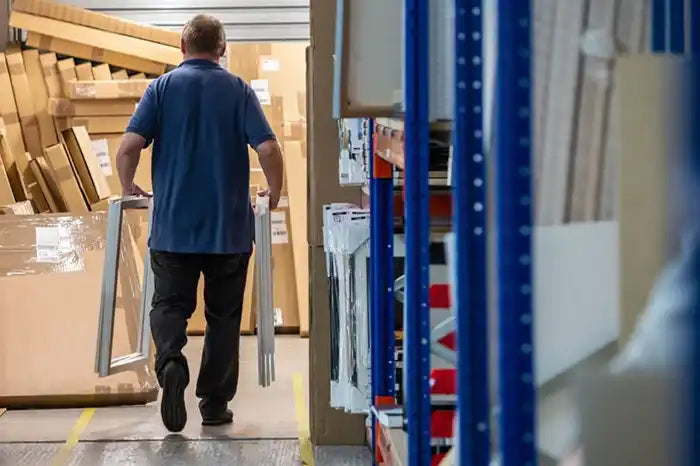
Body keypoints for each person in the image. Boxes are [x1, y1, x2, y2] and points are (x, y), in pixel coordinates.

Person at [116, 14, 284, 433]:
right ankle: (213, 404)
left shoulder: (161, 88)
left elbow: (128, 147)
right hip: (228, 231)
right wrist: (275, 193)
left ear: (181, 46)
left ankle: (171, 360)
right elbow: (268, 148)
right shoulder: (238, 90)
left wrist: (128, 185)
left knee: (170, 306)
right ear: (222, 49)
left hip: (173, 229)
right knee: (224, 316)